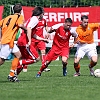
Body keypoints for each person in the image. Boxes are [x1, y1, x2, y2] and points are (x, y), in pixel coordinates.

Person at [16, 6, 49, 76]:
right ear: (40, 14)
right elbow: (28, 28)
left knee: (26, 59)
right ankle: (19, 63)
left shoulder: (31, 19)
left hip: (21, 41)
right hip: (24, 41)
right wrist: (30, 41)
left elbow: (33, 34)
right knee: (35, 58)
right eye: (43, 14)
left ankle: (13, 75)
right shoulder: (35, 19)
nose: (43, 15)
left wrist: (43, 39)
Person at [0, 3, 27, 82]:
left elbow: (0, 26)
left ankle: (11, 75)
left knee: (18, 55)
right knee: (1, 60)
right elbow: (20, 25)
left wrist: (1, 37)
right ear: (21, 11)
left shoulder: (7, 17)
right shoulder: (19, 17)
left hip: (9, 41)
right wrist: (27, 29)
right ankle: (11, 75)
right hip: (8, 41)